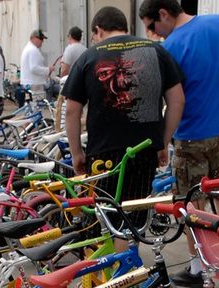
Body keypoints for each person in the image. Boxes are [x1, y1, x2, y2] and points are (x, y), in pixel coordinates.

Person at [139, 0, 219, 286]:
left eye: (152, 27)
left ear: (163, 14)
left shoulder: (170, 48)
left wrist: (163, 140)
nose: (155, 34)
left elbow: (173, 100)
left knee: (191, 205)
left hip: (191, 137)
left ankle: (198, 269)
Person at [63, 6, 184, 238]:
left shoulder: (89, 56)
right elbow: (177, 100)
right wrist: (162, 142)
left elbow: (72, 110)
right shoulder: (156, 51)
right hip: (144, 150)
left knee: (106, 218)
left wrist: (76, 152)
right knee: (134, 217)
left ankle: (110, 268)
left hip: (103, 154)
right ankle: (127, 265)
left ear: (98, 30)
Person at [19, 30, 50, 101]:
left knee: (30, 106)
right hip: (34, 84)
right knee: (36, 107)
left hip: (29, 83)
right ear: (34, 38)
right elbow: (34, 68)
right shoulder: (33, 50)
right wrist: (48, 70)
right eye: (41, 39)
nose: (42, 41)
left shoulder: (28, 48)